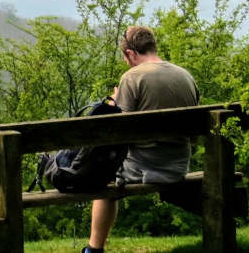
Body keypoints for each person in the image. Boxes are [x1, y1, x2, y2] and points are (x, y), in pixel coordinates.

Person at [83, 26, 199, 253]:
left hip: (144, 169)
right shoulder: (185, 75)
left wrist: (113, 105)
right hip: (178, 165)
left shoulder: (132, 77)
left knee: (102, 180)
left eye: (125, 58)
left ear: (130, 54)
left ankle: (93, 249)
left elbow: (119, 134)